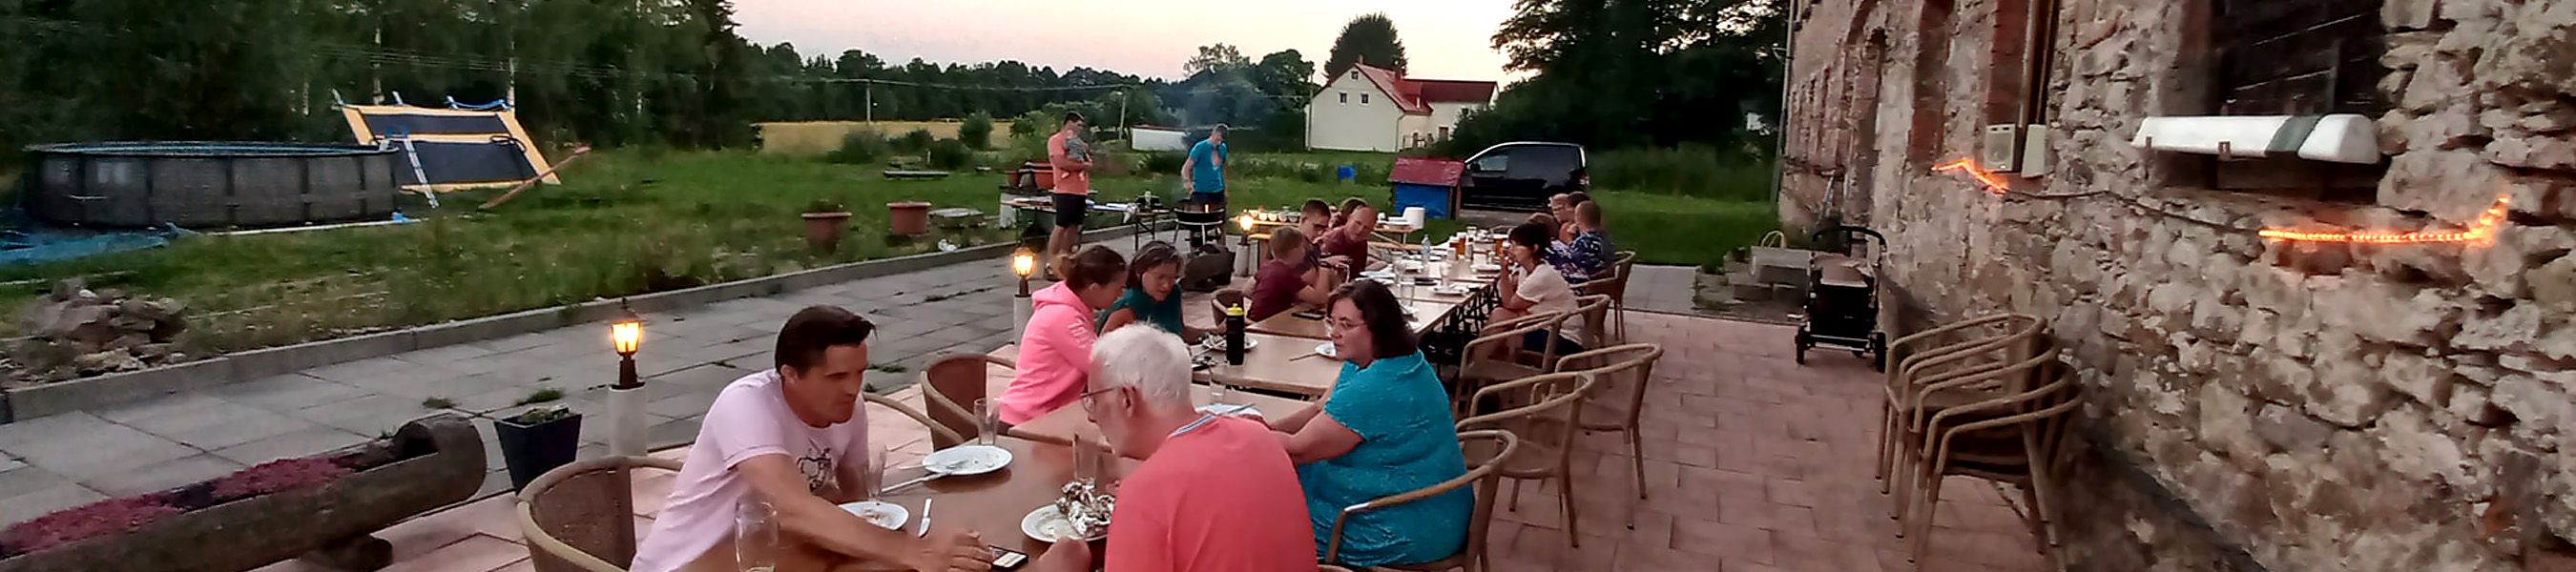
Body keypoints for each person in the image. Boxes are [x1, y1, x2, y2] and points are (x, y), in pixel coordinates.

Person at [632, 306, 991, 572]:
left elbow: (857, 502)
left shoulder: (853, 407)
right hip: (686, 563)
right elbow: (792, 510)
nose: (853, 389)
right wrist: (918, 552)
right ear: (790, 375)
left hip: (779, 556)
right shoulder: (746, 403)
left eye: (860, 373)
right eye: (836, 376)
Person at [1032, 327, 1316, 572]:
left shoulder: (1147, 493)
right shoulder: (1259, 436)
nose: (1092, 415)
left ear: (1126, 399)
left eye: (1094, 399)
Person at [1269, 281, 1471, 567]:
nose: (1334, 333)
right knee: (1280, 484)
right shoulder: (1391, 359)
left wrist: (1237, 432)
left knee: (1266, 513)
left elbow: (1298, 450)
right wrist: (1267, 427)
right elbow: (1319, 408)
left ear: (1378, 327)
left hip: (1406, 525)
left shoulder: (1376, 387)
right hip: (1438, 503)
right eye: (1332, 322)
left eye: (1347, 324)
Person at [999, 246, 1127, 426]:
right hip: (1027, 419)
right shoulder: (1063, 317)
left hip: (1046, 416)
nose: (1121, 295)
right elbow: (1103, 367)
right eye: (1118, 288)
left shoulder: (1073, 309)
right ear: (1095, 288)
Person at [1493, 221, 1587, 356]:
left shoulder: (1541, 276)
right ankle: (1475, 363)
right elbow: (1514, 304)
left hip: (1563, 337)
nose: (1511, 250)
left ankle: (1474, 363)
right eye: (1511, 245)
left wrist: (1503, 271)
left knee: (1497, 336)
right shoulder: (1528, 270)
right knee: (1499, 316)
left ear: (1534, 248)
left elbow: (1509, 303)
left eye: (1517, 246)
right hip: (1546, 323)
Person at [1098, 241, 1204, 343]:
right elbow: (1103, 350)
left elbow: (1180, 331)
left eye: (1172, 278)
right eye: (1160, 277)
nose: (1166, 285)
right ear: (1139, 272)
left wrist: (1215, 332)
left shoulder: (1173, 293)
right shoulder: (1127, 307)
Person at [1045, 112, 1094, 276]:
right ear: (1069, 123)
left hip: (1080, 189)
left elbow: (1088, 161)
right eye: (1078, 124)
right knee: (1062, 225)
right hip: (1065, 189)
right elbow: (1060, 162)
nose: (1081, 128)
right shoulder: (1056, 140)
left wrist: (1086, 164)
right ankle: (1051, 261)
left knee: (1074, 225)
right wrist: (1082, 167)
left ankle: (1066, 258)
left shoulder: (1078, 143)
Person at [1248, 227, 1335, 321]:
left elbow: (1247, 290)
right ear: (1296, 251)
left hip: (1252, 320)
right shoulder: (1286, 274)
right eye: (1303, 247)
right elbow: (1320, 300)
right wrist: (1324, 268)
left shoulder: (1267, 266)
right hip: (1265, 324)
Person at [1546, 200, 1615, 283]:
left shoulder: (1584, 242)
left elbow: (1570, 262)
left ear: (1578, 217)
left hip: (1585, 285)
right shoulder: (1606, 239)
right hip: (1602, 281)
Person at [1180, 125, 1229, 213]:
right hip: (1201, 191)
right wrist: (1187, 182)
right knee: (1200, 219)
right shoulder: (1200, 147)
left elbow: (1222, 168)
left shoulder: (1223, 148)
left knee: (1219, 218)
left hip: (1218, 190)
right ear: (1213, 134)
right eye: (1217, 140)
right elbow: (1186, 168)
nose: (1218, 143)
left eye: (1221, 141)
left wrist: (1225, 189)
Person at [1319, 200, 1375, 273]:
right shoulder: (1330, 241)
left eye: (1366, 228)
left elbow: (1358, 271)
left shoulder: (1361, 243)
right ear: (1349, 218)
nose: (1360, 230)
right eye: (1357, 223)